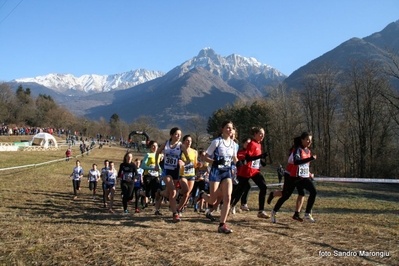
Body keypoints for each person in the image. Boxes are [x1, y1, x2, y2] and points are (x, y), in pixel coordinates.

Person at [198, 120, 239, 234]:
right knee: (213, 200)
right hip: (216, 172)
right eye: (227, 127)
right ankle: (202, 195)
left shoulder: (233, 144)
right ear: (222, 129)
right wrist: (214, 162)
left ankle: (222, 224)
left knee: (228, 198)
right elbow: (204, 157)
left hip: (226, 172)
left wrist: (239, 163)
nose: (230, 130)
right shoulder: (216, 142)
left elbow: (234, 158)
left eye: (231, 128)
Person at [270, 132, 317, 223]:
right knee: (285, 195)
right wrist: (310, 158)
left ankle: (307, 214)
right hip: (294, 177)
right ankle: (274, 211)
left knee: (313, 191)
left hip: (303, 178)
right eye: (307, 139)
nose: (309, 142)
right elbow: (296, 162)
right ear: (302, 140)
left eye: (311, 140)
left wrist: (309, 173)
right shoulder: (298, 150)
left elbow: (305, 165)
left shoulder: (308, 151)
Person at [154, 127, 191, 223]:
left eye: (180, 135)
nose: (178, 136)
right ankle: (175, 214)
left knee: (169, 193)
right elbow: (157, 153)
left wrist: (183, 163)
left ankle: (159, 193)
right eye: (176, 134)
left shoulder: (181, 146)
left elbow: (188, 160)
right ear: (171, 135)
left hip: (175, 172)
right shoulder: (165, 144)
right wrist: (156, 164)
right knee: (174, 192)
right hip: (166, 171)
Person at [238, 127, 270, 219]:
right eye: (260, 134)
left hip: (255, 171)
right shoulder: (251, 144)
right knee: (239, 190)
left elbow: (255, 157)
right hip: (247, 170)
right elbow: (248, 158)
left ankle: (261, 211)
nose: (262, 136)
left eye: (263, 134)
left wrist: (261, 161)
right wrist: (260, 156)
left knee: (263, 187)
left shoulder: (259, 145)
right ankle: (229, 205)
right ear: (255, 134)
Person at [177, 135, 201, 215]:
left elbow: (194, 164)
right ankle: (178, 192)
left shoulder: (194, 152)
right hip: (182, 174)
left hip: (191, 174)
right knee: (185, 190)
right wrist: (180, 163)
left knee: (187, 194)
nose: (189, 142)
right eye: (187, 140)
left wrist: (198, 165)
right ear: (183, 141)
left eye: (190, 141)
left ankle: (178, 209)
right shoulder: (180, 151)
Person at [140, 141, 163, 215]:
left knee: (158, 192)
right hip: (148, 176)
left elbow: (159, 166)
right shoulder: (148, 155)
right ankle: (139, 192)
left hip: (156, 176)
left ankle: (157, 210)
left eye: (156, 146)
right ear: (150, 147)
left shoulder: (159, 155)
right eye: (153, 146)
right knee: (148, 194)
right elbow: (142, 166)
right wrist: (153, 168)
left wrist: (160, 170)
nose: (155, 147)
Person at [230, 137, 252, 213]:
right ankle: (241, 203)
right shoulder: (239, 152)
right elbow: (235, 161)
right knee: (245, 187)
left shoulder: (251, 153)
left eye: (250, 143)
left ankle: (233, 204)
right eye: (247, 143)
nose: (248, 145)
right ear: (243, 144)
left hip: (248, 174)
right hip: (239, 174)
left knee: (241, 191)